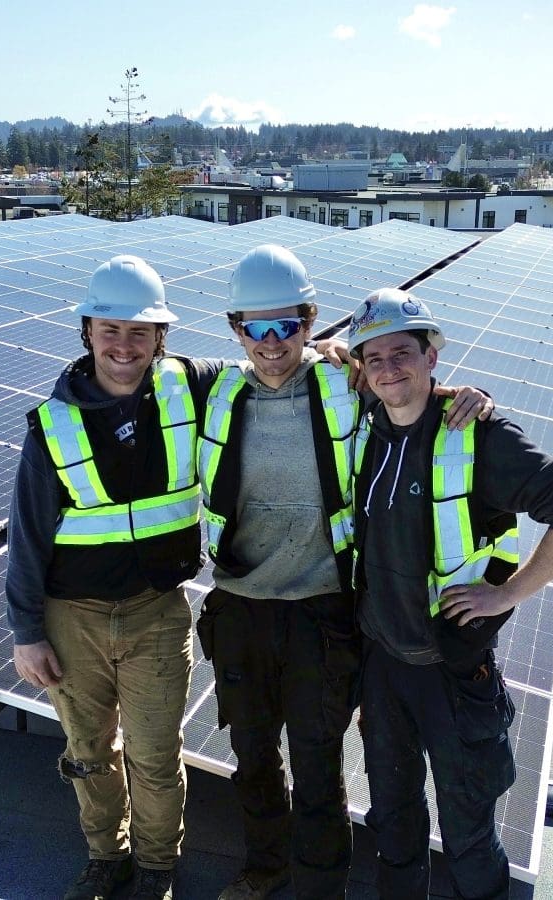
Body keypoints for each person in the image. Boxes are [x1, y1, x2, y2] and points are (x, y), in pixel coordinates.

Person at [197, 246, 494, 900]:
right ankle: (265, 868)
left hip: (321, 615)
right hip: (240, 611)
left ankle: (319, 888)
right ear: (235, 329)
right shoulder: (213, 390)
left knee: (316, 764)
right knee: (251, 758)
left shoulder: (344, 383)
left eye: (287, 325)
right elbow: (131, 376)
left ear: (311, 321)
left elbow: (407, 390)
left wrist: (467, 393)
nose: (271, 342)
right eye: (255, 327)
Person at [346, 289, 553, 900]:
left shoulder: (475, 434)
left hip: (452, 675)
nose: (388, 368)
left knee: (467, 831)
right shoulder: (362, 427)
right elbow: (314, 356)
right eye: (373, 357)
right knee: (395, 821)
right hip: (383, 670)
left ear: (432, 356)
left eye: (403, 352)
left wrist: (506, 595)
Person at [6, 255, 224, 900]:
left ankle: (158, 866)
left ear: (162, 337)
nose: (124, 345)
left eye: (140, 331)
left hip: (157, 611)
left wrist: (334, 352)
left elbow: (275, 365)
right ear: (87, 332)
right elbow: (26, 535)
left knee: (156, 756)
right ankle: (107, 857)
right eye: (110, 329)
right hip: (70, 619)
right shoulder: (53, 424)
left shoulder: (192, 384)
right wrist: (26, 632)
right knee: (88, 750)